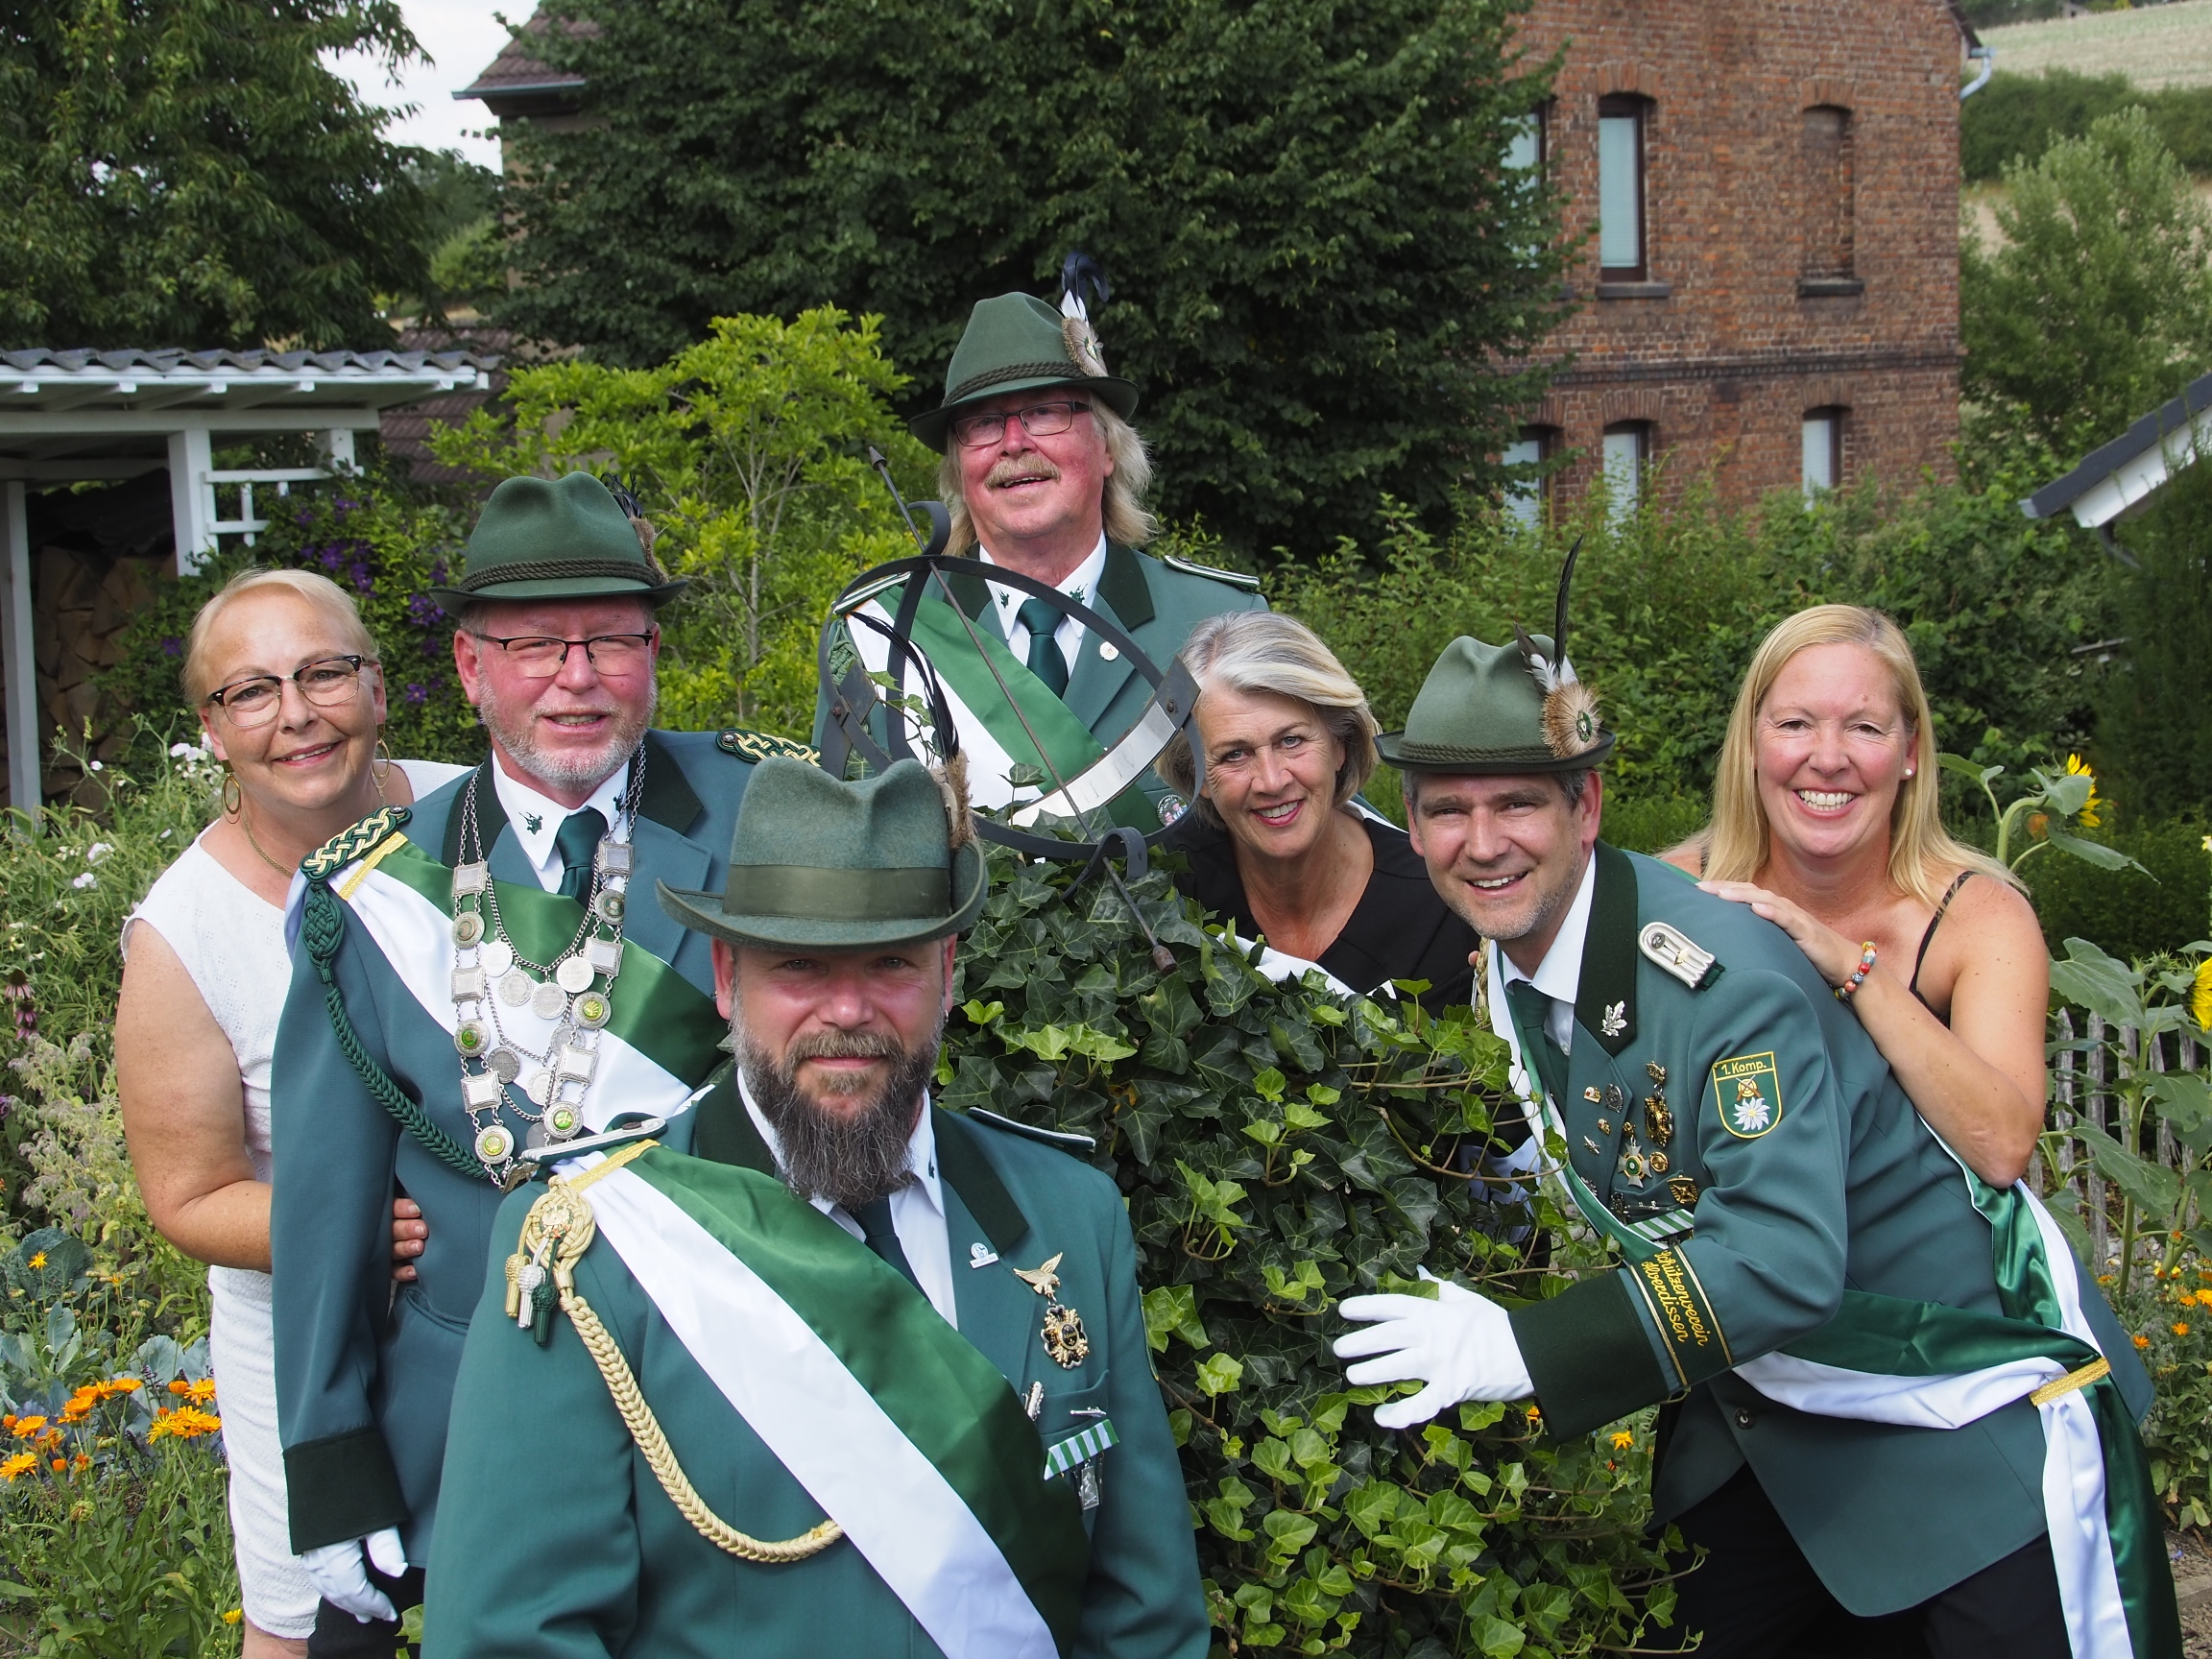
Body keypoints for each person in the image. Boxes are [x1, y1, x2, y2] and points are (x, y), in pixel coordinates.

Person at [1327, 612, 2176, 1659]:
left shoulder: (1727, 970)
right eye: (1448, 810)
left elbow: (1787, 1257)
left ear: (1586, 806)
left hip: (1963, 1403)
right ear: (1410, 829)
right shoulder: (1539, 940)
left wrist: (1526, 1349)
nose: (1484, 841)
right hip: (1768, 1412)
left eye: (1517, 803)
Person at [422, 756, 1207, 1656]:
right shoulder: (598, 1247)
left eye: (891, 963)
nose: (847, 1009)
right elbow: (512, 1637)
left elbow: (1145, 1617)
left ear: (947, 973)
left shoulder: (1069, 1212)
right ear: (727, 976)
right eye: (799, 964)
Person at [269, 473, 812, 1653]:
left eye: (611, 639)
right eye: (535, 646)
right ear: (471, 667)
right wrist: (331, 1462)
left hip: (741, 1391)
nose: (578, 677)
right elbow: (323, 1212)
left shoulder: (778, 818)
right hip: (472, 1413)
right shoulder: (372, 891)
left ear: (652, 654)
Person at [115, 570, 469, 1657]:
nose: (297, 714)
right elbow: (187, 1195)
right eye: (253, 691)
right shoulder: (185, 932)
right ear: (212, 730)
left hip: (508, 1318)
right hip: (309, 1347)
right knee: (313, 1632)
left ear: (377, 686)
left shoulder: (476, 819)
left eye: (323, 673)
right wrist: (346, 1225)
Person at [816, 283, 1265, 828]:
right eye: (983, 423)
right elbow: (840, 841)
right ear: (959, 469)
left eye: (1045, 412)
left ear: (1107, 448)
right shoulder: (881, 632)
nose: (1013, 443)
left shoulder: (1221, 619)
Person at [1657, 605, 2048, 1189]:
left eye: (1865, 728)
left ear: (1910, 752)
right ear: (1751, 743)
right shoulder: (1675, 895)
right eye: (1795, 724)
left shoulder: (1980, 919)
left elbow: (2004, 1147)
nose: (1828, 759)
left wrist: (1852, 968)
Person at [1157, 610, 1477, 1008]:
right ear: (1198, 776)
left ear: (1340, 744)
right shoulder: (1164, 885)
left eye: (1291, 741)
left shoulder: (1437, 904)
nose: (1272, 781)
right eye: (1235, 754)